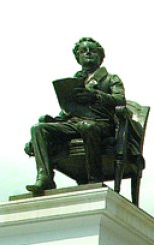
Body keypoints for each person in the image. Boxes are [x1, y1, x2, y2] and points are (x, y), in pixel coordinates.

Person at [25, 37, 135, 195]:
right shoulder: (75, 80)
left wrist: (94, 95)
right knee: (38, 129)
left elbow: (120, 100)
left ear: (101, 56)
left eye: (93, 50)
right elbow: (67, 110)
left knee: (87, 126)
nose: (88, 53)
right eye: (83, 51)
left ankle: (94, 180)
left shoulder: (111, 79)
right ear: (78, 57)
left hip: (101, 124)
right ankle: (45, 177)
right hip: (73, 123)